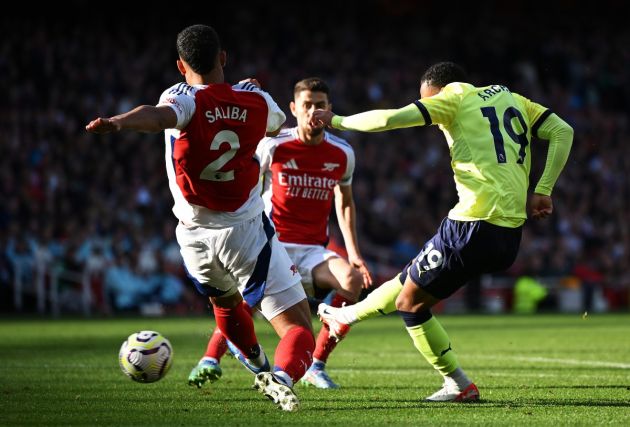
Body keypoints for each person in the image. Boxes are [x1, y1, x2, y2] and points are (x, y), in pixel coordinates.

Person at [85, 24, 315, 412]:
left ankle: (258, 366)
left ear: (180, 65)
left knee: (226, 307)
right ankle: (280, 376)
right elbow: (276, 123)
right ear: (223, 58)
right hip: (244, 231)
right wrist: (248, 92)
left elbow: (157, 117)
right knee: (297, 328)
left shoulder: (182, 98)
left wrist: (119, 122)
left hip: (192, 237)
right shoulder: (257, 100)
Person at [312, 62, 573, 402]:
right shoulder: (511, 98)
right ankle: (345, 316)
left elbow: (389, 119)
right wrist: (544, 188)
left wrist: (337, 120)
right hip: (509, 233)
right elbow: (563, 131)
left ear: (436, 90)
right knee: (411, 279)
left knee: (410, 303)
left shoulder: (453, 98)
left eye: (427, 103)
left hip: (473, 223)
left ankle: (459, 384)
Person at [188, 77, 373, 389]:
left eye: (320, 105)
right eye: (307, 105)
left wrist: (353, 254)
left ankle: (316, 364)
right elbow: (246, 183)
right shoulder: (274, 146)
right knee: (239, 301)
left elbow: (345, 203)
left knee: (352, 283)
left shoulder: (342, 153)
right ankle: (210, 359)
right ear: (294, 109)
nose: (314, 111)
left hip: (314, 250)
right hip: (275, 243)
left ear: (330, 110)